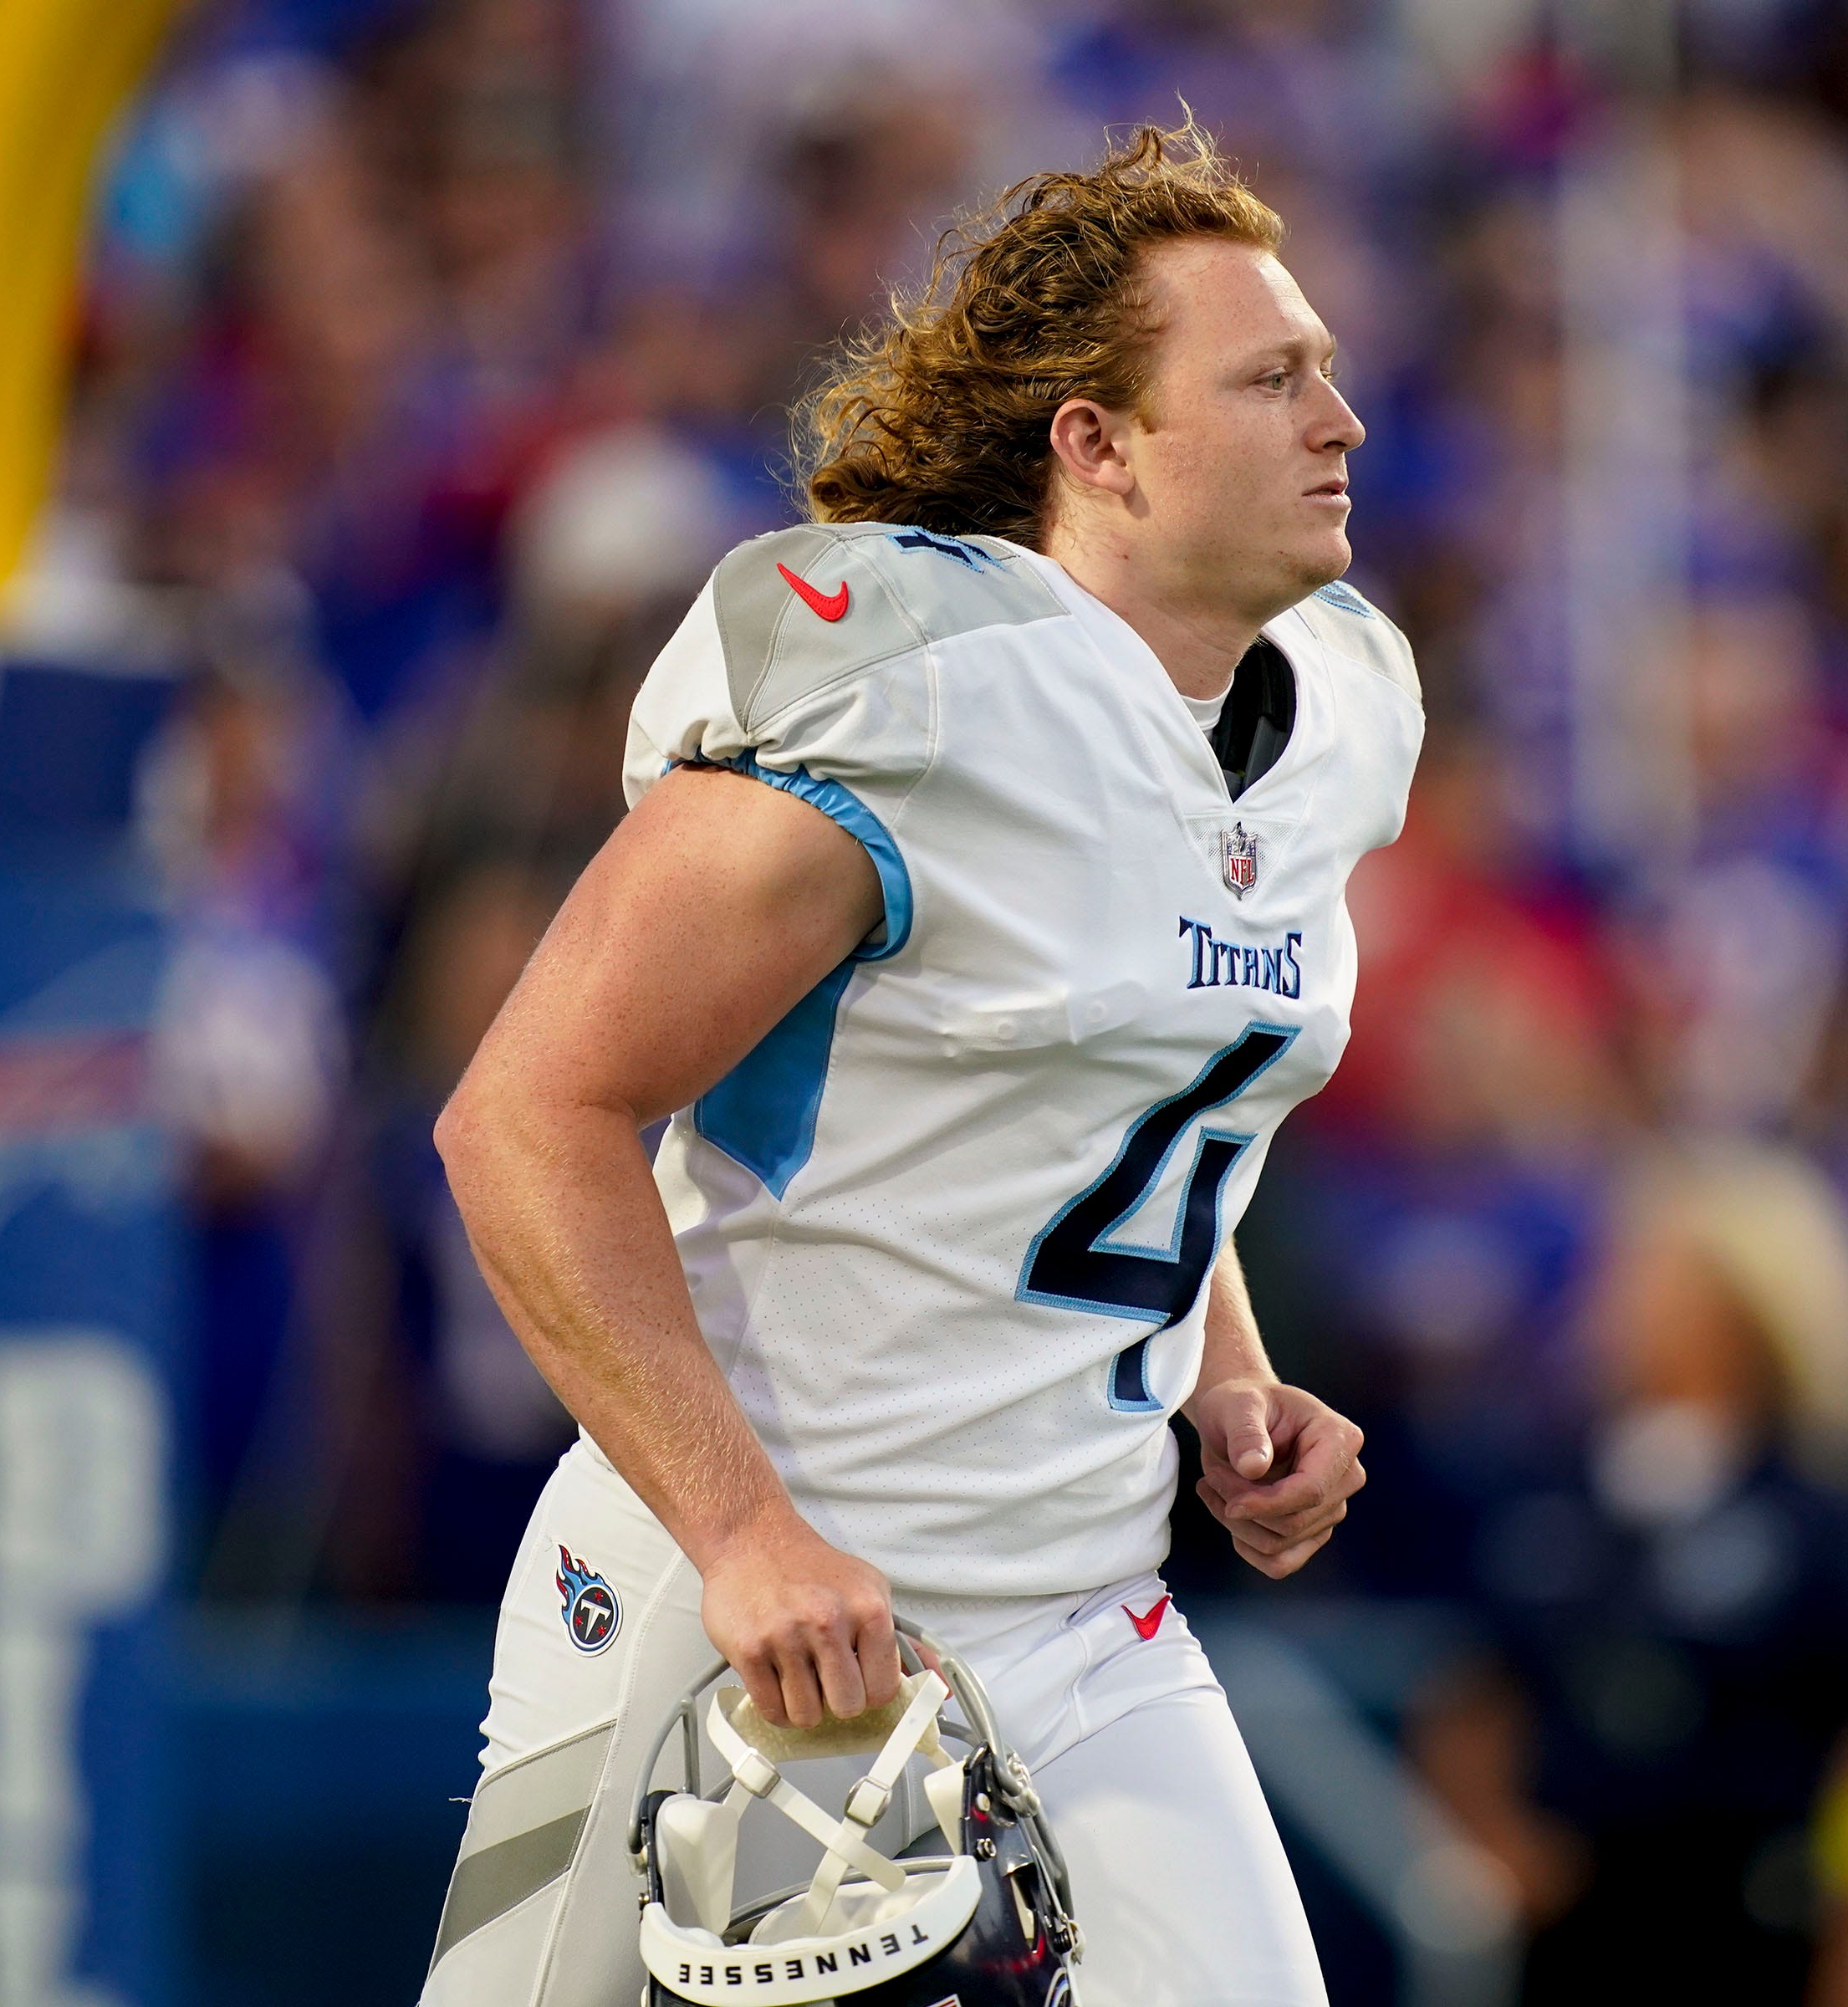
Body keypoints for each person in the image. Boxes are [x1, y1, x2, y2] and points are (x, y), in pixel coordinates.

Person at [416, 123, 1417, 2007]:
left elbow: (1124, 1088)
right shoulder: (918, 698)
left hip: (1082, 1599)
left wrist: (1230, 1372)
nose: (1339, 418)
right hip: (758, 1605)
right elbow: (522, 1118)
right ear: (1096, 445)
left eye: (1330, 369)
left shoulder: (1336, 716)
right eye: (1272, 377)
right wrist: (740, 1531)